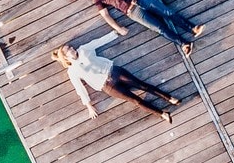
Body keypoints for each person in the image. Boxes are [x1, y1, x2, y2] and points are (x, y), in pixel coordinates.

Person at [53, 31, 182, 123]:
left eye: (70, 46)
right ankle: (162, 114)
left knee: (142, 85)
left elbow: (98, 42)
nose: (72, 48)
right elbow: (79, 88)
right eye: (68, 49)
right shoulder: (72, 71)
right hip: (108, 86)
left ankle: (170, 98)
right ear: (65, 57)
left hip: (114, 72)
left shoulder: (83, 49)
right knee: (135, 101)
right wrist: (88, 106)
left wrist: (115, 33)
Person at [77, 0, 205, 54]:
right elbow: (105, 15)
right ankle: (184, 44)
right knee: (159, 28)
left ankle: (193, 29)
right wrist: (118, 28)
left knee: (167, 12)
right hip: (133, 12)